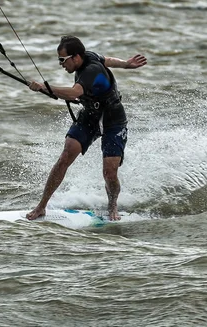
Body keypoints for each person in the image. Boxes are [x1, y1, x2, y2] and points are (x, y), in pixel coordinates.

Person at [26, 36, 147, 221]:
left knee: (109, 171)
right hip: (90, 115)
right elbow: (108, 60)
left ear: (75, 57)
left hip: (113, 118)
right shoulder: (89, 56)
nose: (61, 64)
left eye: (62, 60)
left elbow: (75, 92)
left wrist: (44, 87)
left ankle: (112, 205)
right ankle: (41, 206)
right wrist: (126, 64)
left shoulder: (91, 70)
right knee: (66, 155)